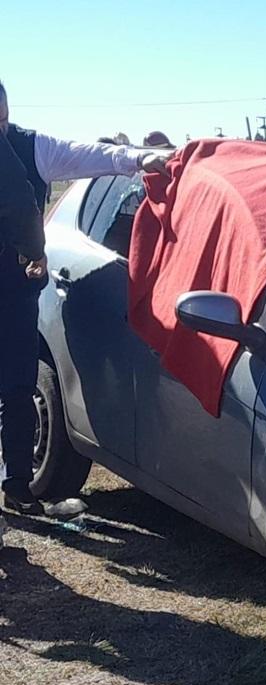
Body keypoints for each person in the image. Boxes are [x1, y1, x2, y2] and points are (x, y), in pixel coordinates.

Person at [0, 79, 171, 516]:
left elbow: (86, 155)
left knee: (18, 387)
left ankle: (17, 485)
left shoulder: (28, 147)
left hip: (16, 291)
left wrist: (137, 159)